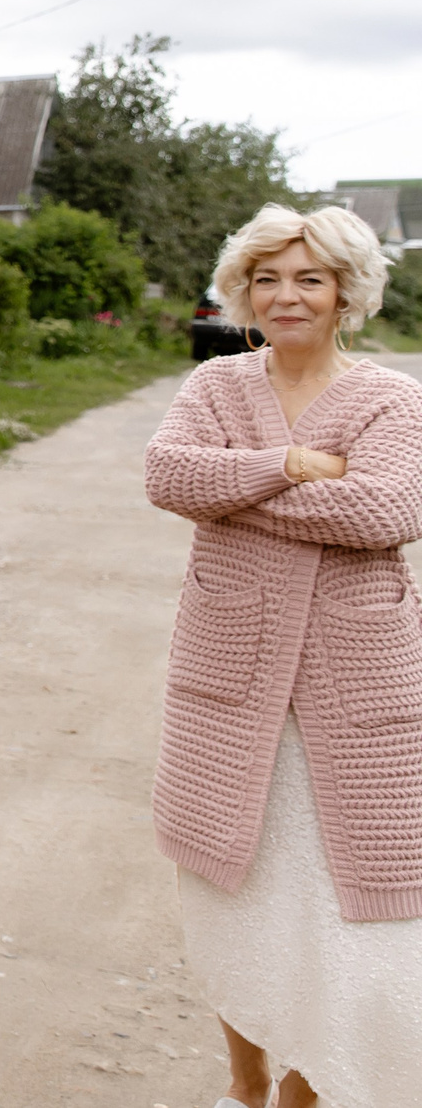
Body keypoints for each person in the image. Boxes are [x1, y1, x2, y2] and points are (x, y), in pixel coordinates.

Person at [143, 203, 422, 1108]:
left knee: (345, 906)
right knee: (238, 893)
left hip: (358, 692)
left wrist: (237, 483)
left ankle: (307, 1090)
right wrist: (295, 463)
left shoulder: (392, 398)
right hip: (231, 682)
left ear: (346, 292)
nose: (286, 294)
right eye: (267, 277)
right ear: (242, 292)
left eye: (309, 277)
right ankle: (245, 1077)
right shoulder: (217, 386)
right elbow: (169, 477)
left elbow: (388, 512)